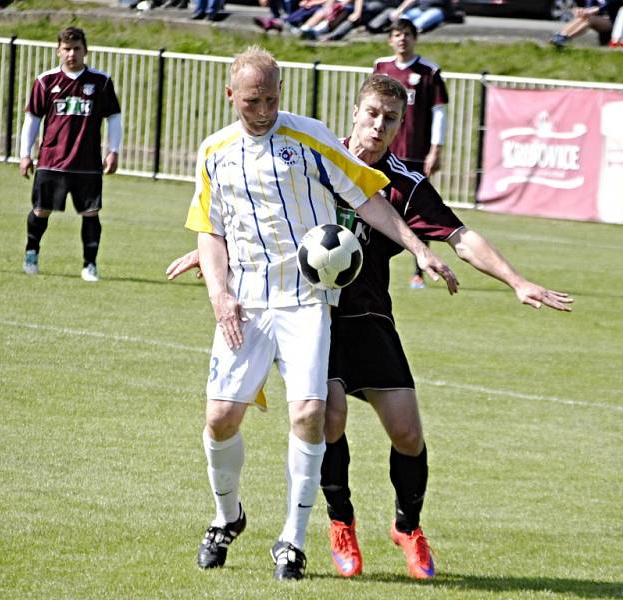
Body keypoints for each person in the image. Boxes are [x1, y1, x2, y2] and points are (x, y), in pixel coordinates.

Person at [169, 73, 573, 581]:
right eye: (372, 114)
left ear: (402, 126)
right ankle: (340, 522)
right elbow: (257, 213)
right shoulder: (312, 154)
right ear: (355, 112)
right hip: (315, 313)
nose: (379, 126)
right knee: (326, 415)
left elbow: (460, 235)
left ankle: (408, 526)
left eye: (391, 119)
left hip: (369, 317)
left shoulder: (404, 184)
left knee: (407, 432)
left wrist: (516, 280)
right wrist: (212, 255)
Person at [183, 46, 458, 581]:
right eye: (251, 102)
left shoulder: (309, 137)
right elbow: (210, 228)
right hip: (246, 301)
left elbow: (368, 197)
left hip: (308, 301)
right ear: (230, 96)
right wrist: (219, 292)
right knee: (220, 418)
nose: (262, 111)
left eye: (270, 99)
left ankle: (293, 538)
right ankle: (226, 517)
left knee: (311, 413)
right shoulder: (214, 150)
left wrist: (420, 247)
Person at [19, 26, 122, 282]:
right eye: (66, 49)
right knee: (41, 210)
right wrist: (25, 153)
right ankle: (31, 252)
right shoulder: (46, 81)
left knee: (90, 213)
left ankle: (90, 265)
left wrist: (113, 151)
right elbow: (32, 118)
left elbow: (114, 117)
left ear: (85, 51)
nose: (71, 54)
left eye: (76, 49)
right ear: (58, 51)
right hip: (51, 160)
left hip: (86, 162)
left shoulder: (101, 82)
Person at [374, 17, 447, 288]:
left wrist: (435, 149)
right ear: (390, 39)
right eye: (397, 34)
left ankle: (419, 270)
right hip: (384, 154)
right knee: (374, 205)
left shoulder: (429, 72)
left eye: (407, 34)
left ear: (415, 38)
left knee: (417, 210)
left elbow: (439, 113)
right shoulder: (381, 67)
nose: (402, 38)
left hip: (415, 155)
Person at [550, 0, 619, 48]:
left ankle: (566, 38)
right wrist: (581, 11)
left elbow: (612, 4)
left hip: (615, 24)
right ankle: (561, 35)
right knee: (584, 17)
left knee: (590, 20)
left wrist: (597, 10)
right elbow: (589, 8)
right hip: (601, 20)